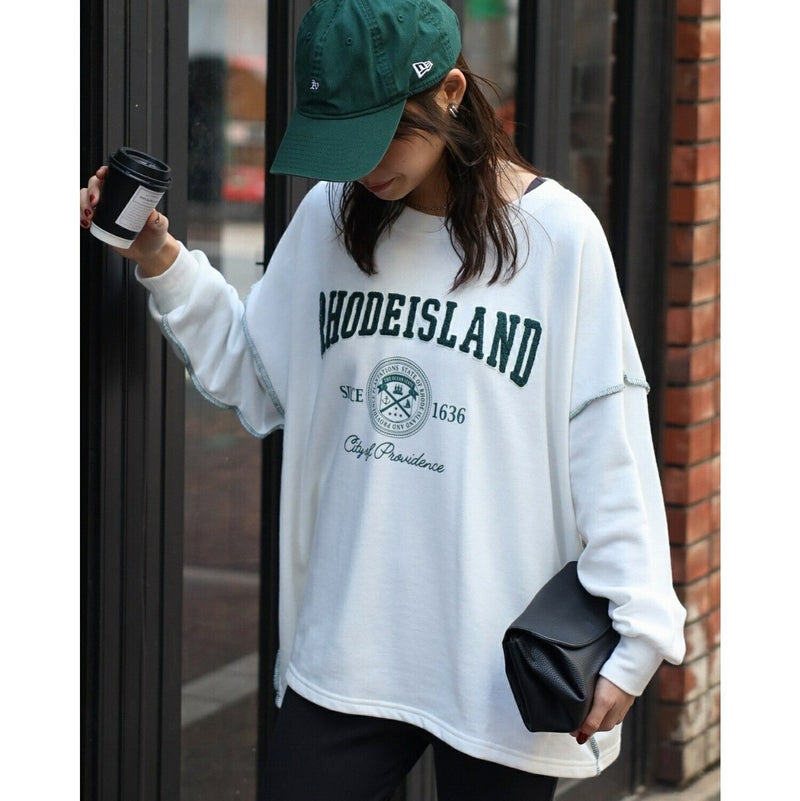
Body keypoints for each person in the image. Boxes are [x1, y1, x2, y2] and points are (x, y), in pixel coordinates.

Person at [80, 1, 686, 799]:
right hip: (349, 646)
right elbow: (255, 375)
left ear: (451, 92)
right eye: (345, 139)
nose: (365, 166)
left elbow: (608, 436)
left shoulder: (557, 238)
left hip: (498, 661)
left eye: (385, 134)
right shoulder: (330, 219)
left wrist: (639, 630)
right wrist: (159, 254)